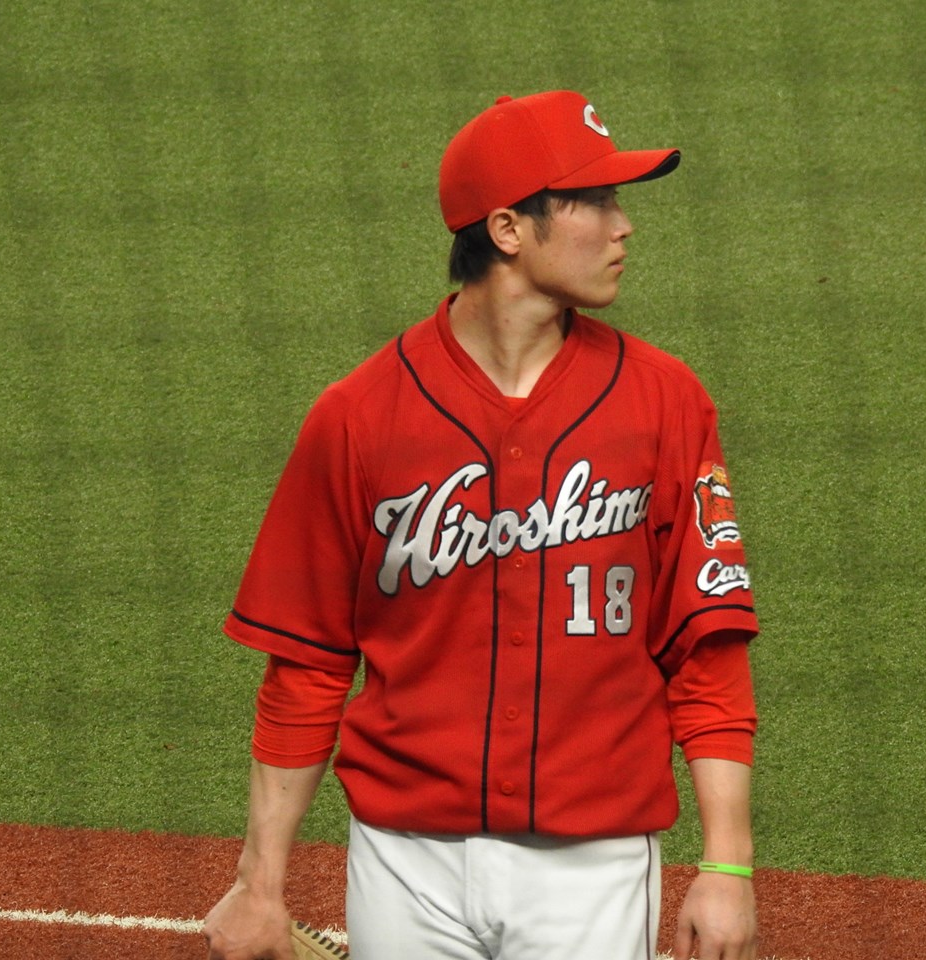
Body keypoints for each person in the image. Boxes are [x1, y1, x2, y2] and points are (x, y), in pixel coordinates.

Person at [203, 90, 760, 960]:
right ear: (507, 229)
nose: (624, 226)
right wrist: (259, 881)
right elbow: (305, 665)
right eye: (595, 201)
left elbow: (706, 650)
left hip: (595, 866)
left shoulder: (665, 403)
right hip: (403, 863)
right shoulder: (359, 417)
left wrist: (727, 866)